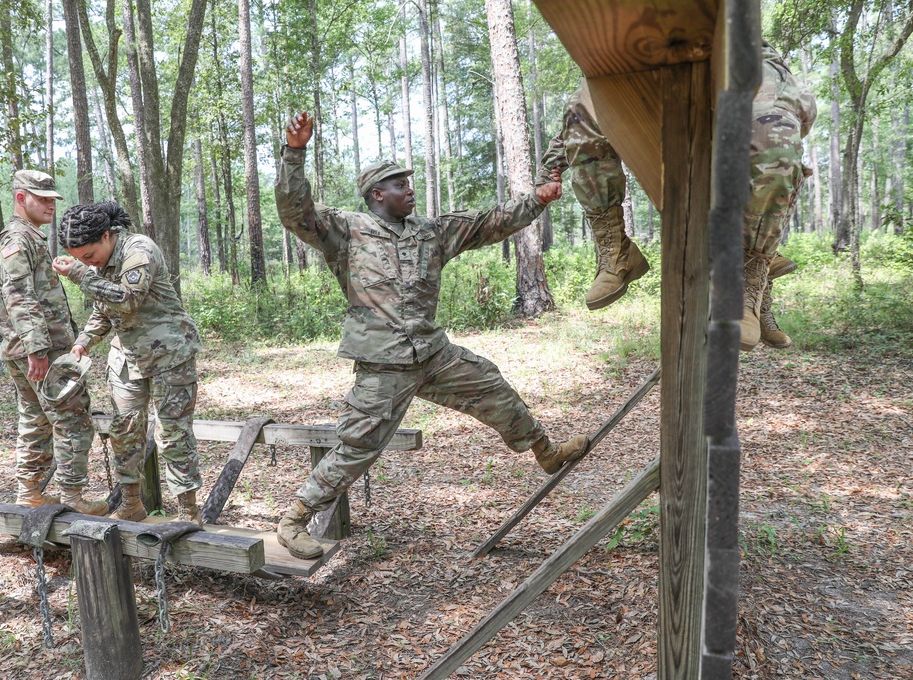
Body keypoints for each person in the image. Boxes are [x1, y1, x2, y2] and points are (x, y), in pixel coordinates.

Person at [272, 111, 588, 560]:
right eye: (401, 185)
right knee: (356, 446)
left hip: (434, 356)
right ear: (377, 194)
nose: (410, 190)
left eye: (411, 183)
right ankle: (294, 520)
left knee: (493, 386)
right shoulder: (346, 230)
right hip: (384, 365)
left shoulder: (431, 232)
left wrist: (537, 199)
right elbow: (294, 210)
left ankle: (546, 451)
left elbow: (490, 222)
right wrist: (295, 153)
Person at [539, 41, 816, 351]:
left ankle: (751, 279)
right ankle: (615, 249)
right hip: (655, 57)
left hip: (735, 52)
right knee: (584, 101)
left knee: (773, 131)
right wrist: (550, 167)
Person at [51, 202, 204, 523]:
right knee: (125, 431)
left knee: (174, 434)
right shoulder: (96, 262)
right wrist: (84, 341)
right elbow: (104, 307)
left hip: (170, 356)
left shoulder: (139, 250)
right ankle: (131, 504)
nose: (86, 263)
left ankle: (189, 513)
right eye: (80, 259)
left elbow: (128, 298)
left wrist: (79, 274)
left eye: (89, 256)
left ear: (107, 235)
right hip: (126, 359)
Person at [0, 170, 108, 515]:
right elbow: (18, 294)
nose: (50, 205)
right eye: (41, 199)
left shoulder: (29, 237)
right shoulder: (17, 238)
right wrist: (37, 349)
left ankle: (30, 492)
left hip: (27, 348)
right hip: (40, 351)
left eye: (52, 199)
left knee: (35, 419)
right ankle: (73, 497)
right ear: (20, 198)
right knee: (72, 418)